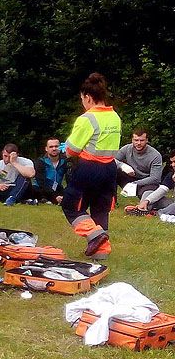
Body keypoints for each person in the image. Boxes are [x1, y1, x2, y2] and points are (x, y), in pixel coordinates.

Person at [62, 73, 121, 261]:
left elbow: (71, 150)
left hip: (89, 168)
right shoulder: (115, 117)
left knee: (71, 205)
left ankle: (94, 235)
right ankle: (101, 252)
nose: (82, 103)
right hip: (110, 168)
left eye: (82, 99)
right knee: (101, 208)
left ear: (88, 97)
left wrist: (66, 147)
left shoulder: (87, 119)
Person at [115, 127, 162, 199]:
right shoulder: (126, 148)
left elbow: (155, 178)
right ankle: (111, 200)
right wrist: (123, 166)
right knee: (111, 170)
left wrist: (135, 183)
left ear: (147, 140)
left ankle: (143, 202)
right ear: (132, 140)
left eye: (142, 140)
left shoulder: (155, 155)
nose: (138, 143)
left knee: (146, 193)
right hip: (130, 178)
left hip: (146, 182)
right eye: (136, 140)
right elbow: (113, 160)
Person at [131, 149, 175, 216]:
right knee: (148, 193)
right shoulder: (171, 174)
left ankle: (157, 213)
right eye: (172, 162)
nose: (173, 165)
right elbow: (162, 190)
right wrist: (146, 201)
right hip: (171, 204)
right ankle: (142, 209)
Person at [33, 138, 68, 204]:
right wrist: (55, 196)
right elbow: (41, 183)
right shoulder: (40, 162)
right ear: (46, 149)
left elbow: (70, 179)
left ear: (60, 147)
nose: (54, 149)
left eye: (56, 146)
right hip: (41, 188)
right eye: (51, 147)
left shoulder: (65, 161)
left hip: (57, 187)